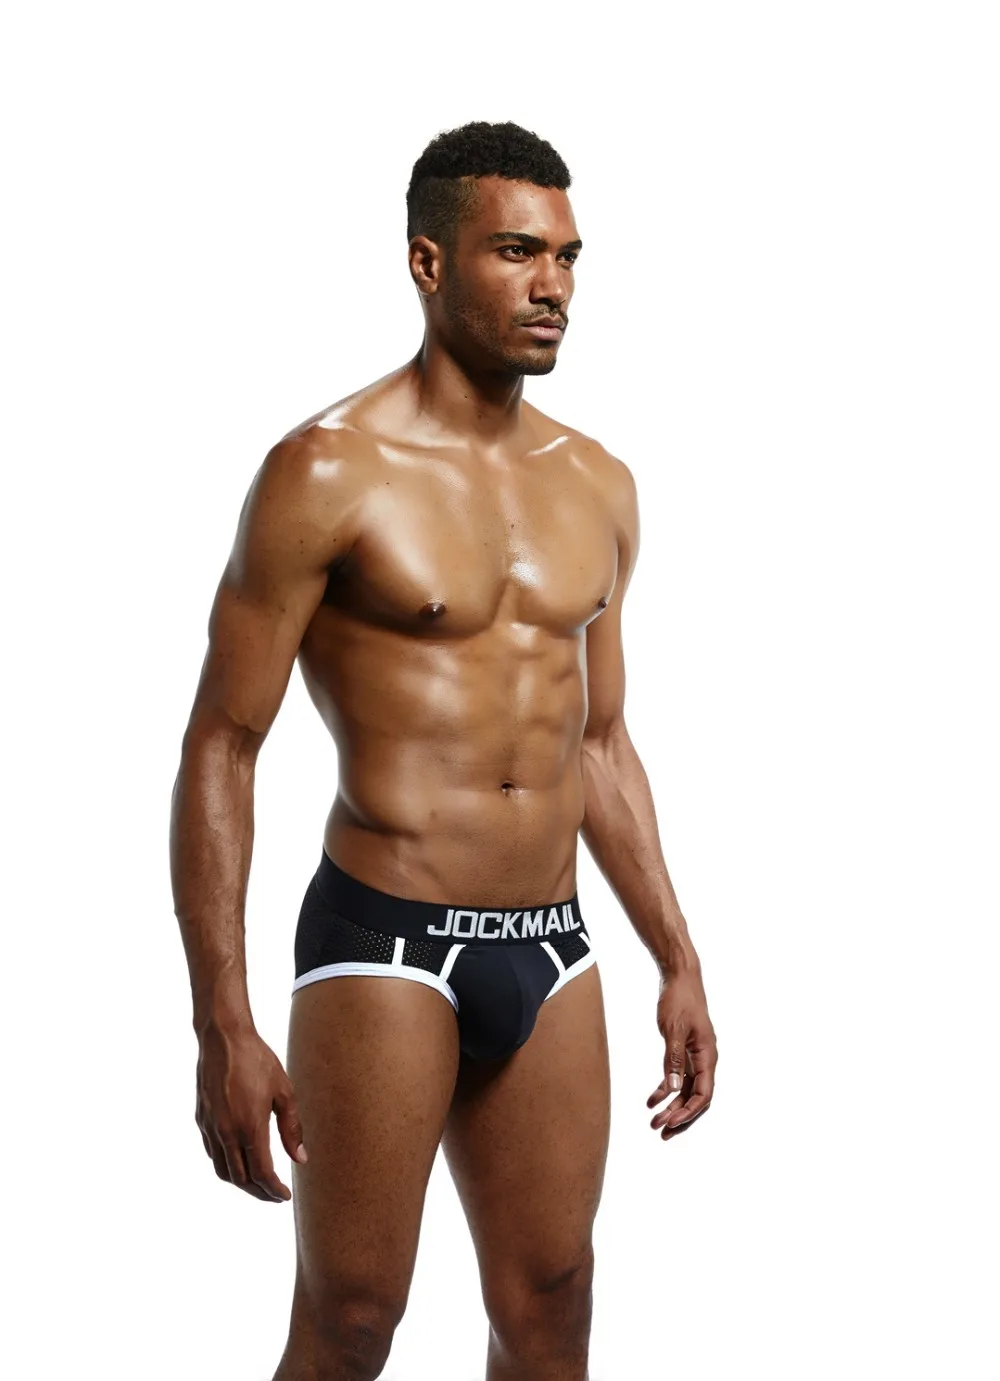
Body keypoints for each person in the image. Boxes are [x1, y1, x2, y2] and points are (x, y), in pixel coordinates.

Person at [170, 119, 718, 1381]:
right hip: (385, 940)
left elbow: (599, 739)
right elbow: (222, 745)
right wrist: (221, 1022)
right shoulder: (324, 471)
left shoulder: (599, 484)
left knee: (553, 1304)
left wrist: (677, 954)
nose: (552, 285)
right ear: (427, 262)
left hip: (552, 943)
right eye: (516, 251)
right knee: (353, 1319)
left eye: (567, 257)